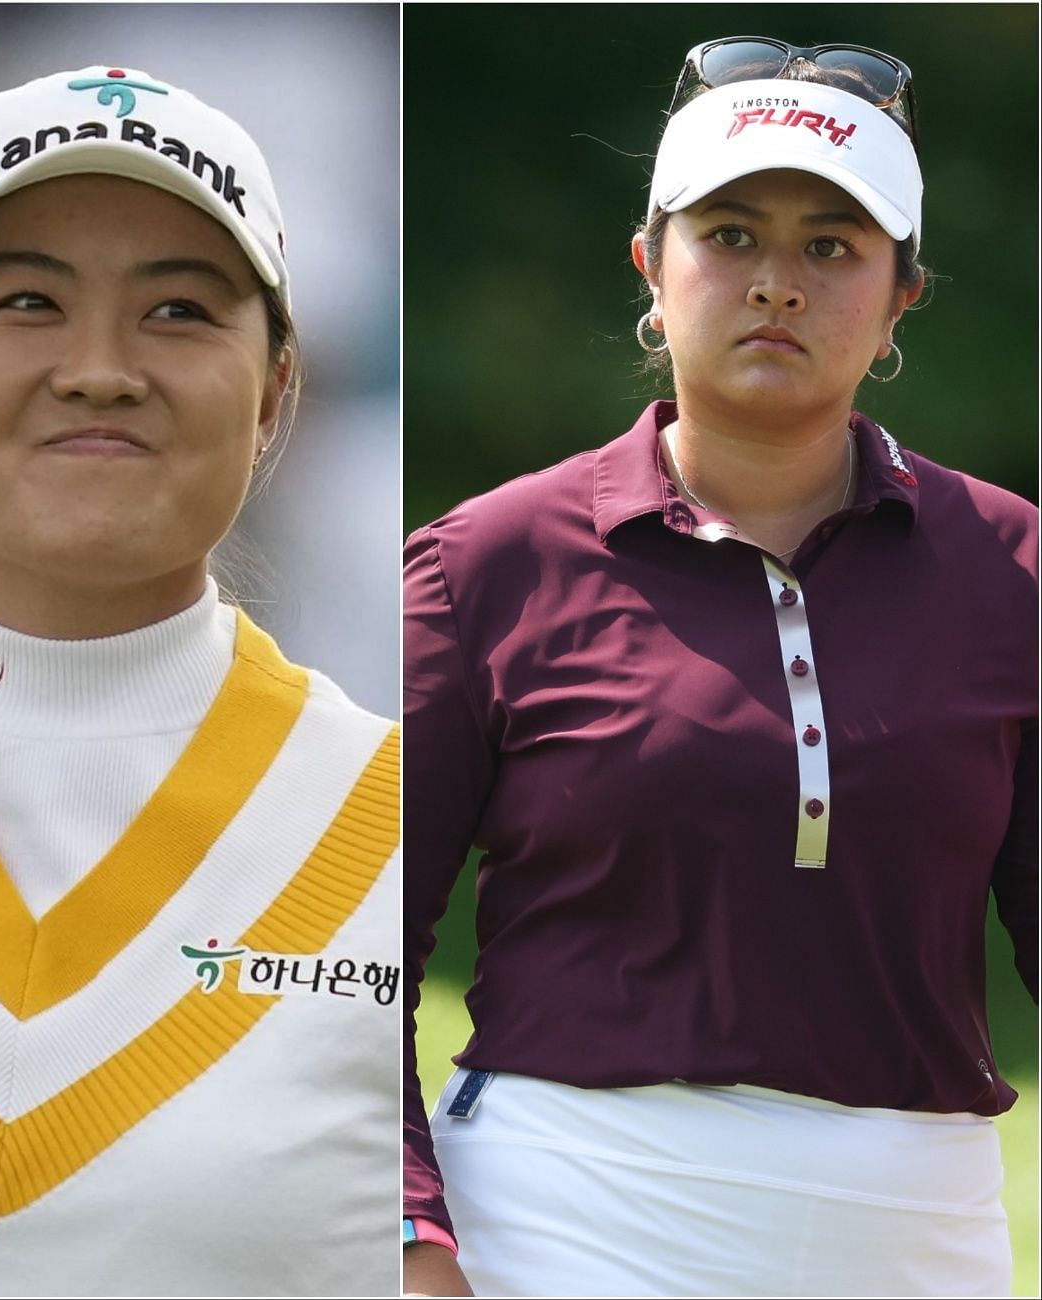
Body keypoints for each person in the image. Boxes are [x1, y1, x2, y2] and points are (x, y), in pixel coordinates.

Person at [404, 36, 1037, 1298]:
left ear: (903, 294)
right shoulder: (484, 562)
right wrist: (413, 1242)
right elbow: (342, 962)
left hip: (919, 1240)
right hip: (560, 1225)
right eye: (732, 235)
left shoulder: (1014, 570)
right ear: (652, 264)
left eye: (832, 246)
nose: (777, 284)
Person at [0, 65, 400, 1296]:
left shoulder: (417, 818)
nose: (100, 368)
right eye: (26, 301)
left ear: (274, 393)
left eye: (178, 311)